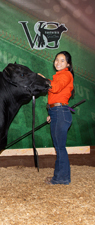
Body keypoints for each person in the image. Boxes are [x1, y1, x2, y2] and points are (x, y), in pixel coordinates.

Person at [43, 51, 74, 185]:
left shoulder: (66, 74)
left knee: (60, 147)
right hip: (57, 111)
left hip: (60, 112)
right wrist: (51, 112)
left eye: (62, 60)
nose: (58, 62)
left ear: (67, 64)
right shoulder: (59, 76)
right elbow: (56, 96)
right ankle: (60, 177)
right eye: (56, 59)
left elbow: (54, 88)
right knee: (59, 147)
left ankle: (61, 178)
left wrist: (43, 80)